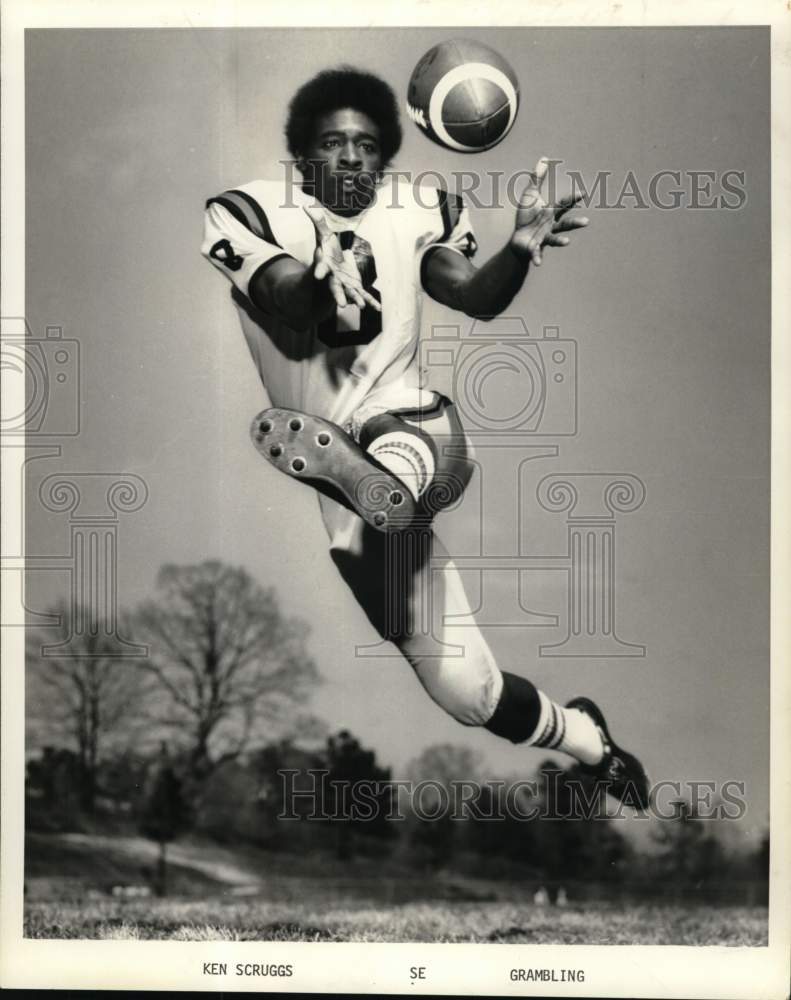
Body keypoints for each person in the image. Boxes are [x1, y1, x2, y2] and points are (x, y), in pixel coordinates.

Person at [202, 66, 649, 809]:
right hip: (347, 491)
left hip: (418, 429)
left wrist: (518, 251)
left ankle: (379, 481)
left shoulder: (419, 209)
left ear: (387, 156)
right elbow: (283, 292)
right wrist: (321, 282)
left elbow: (472, 295)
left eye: (368, 145)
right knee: (464, 692)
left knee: (393, 446)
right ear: (300, 153)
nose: (351, 157)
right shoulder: (247, 212)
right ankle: (588, 741)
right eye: (333, 143)